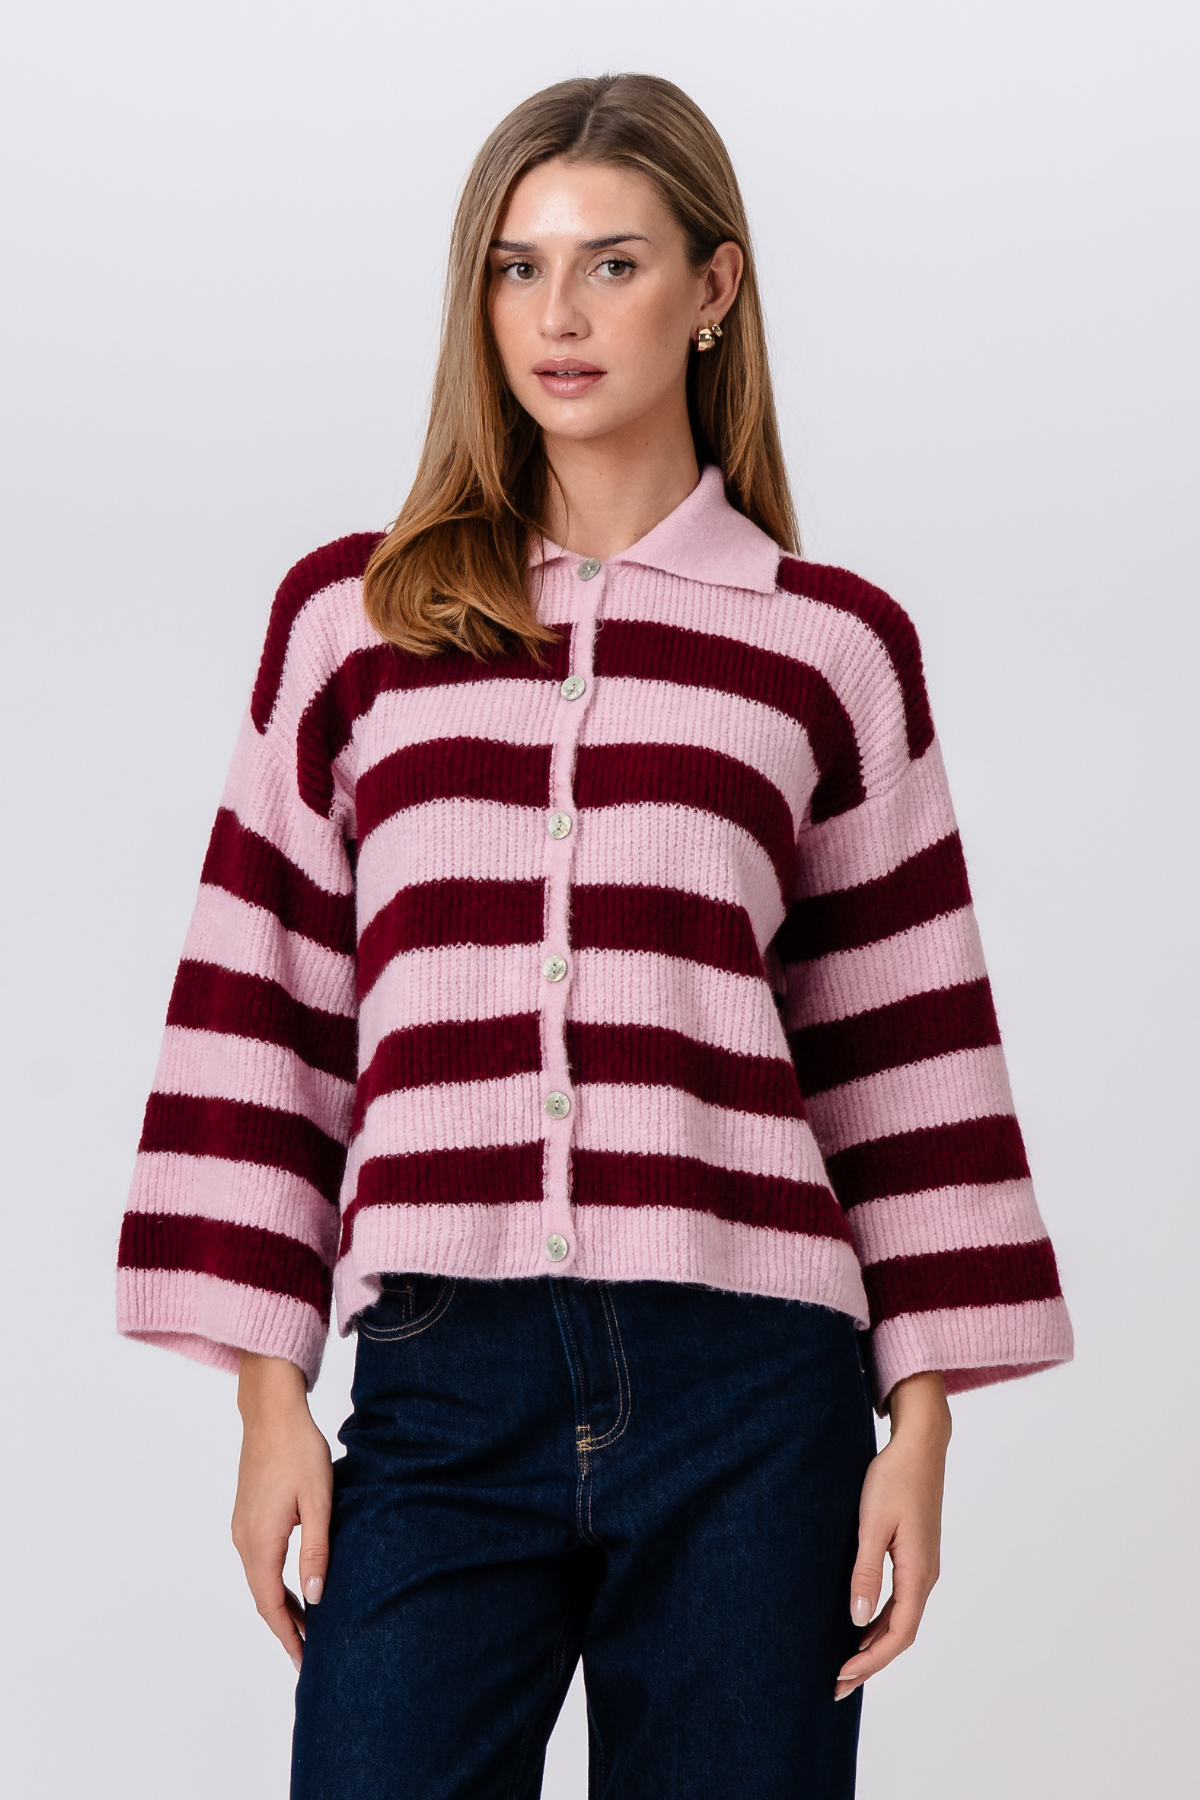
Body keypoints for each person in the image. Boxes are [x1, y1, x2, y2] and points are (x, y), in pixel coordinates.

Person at [117, 72, 1073, 1800]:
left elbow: (901, 1055)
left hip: (755, 1392)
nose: (555, 314)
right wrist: (269, 1401)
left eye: (611, 263)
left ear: (714, 288)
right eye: (516, 267)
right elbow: (266, 1010)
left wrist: (919, 1430)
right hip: (441, 1374)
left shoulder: (829, 646)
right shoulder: (355, 623)